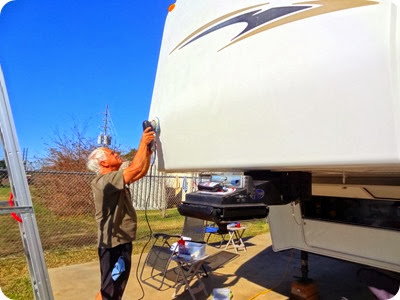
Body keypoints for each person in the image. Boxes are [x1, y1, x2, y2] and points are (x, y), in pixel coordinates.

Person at [87, 126, 155, 300]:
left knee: (112, 287)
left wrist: (147, 151)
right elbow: (135, 167)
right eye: (111, 153)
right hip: (112, 245)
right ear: (103, 163)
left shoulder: (116, 179)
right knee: (110, 291)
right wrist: (142, 142)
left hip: (122, 241)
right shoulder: (103, 182)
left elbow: (141, 171)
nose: (116, 153)